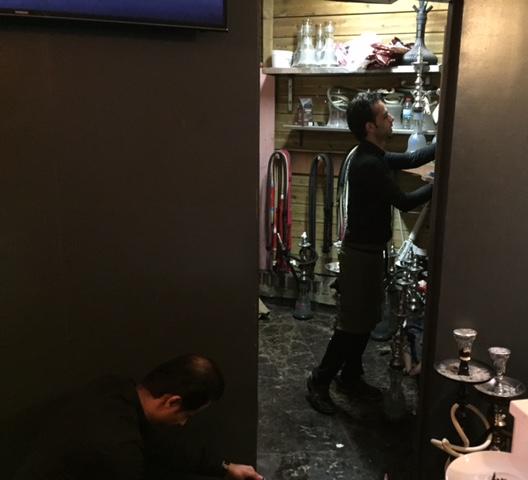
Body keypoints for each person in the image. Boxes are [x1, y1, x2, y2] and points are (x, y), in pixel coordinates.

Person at [306, 92, 436, 414]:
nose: (391, 118)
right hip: (360, 256)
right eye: (384, 116)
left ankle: (350, 376)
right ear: (370, 126)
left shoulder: (374, 154)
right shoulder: (367, 163)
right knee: (351, 324)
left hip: (369, 252)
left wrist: (449, 141)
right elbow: (404, 202)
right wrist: (442, 182)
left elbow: (410, 160)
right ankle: (319, 381)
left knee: (364, 322)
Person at [14, 354, 263, 480]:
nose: (183, 422)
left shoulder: (114, 388)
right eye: (187, 414)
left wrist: (225, 468)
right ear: (172, 401)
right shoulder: (118, 456)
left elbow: (162, 447)